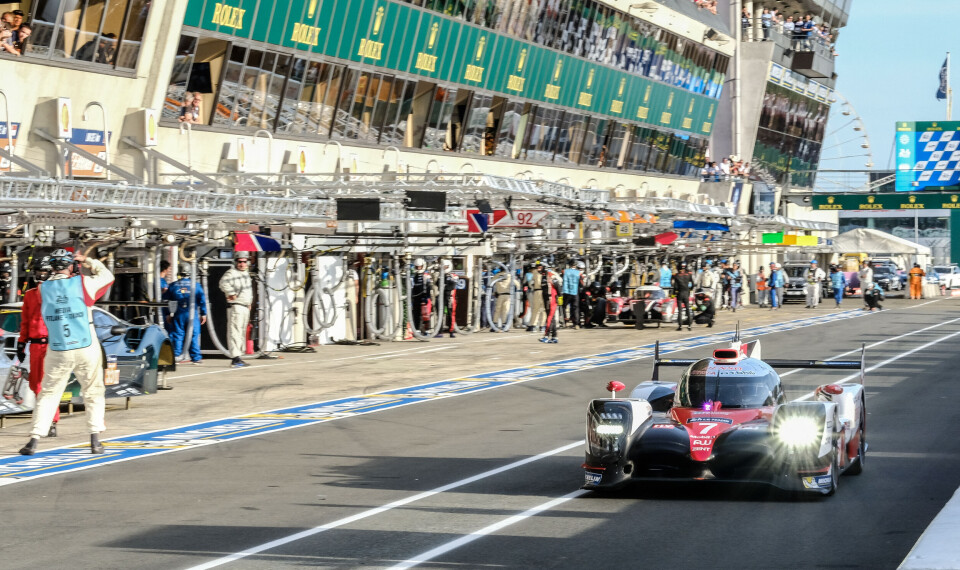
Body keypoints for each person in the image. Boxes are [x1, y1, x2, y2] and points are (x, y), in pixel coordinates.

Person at [19, 248, 115, 456]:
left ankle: (34, 440)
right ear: (72, 266)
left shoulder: (43, 289)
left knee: (48, 393)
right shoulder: (82, 283)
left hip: (58, 348)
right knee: (93, 391)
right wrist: (88, 261)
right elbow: (108, 276)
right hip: (85, 346)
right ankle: (95, 440)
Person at [16, 256, 58, 438]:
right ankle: (44, 418)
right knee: (35, 384)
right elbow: (25, 321)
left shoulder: (56, 293)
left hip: (51, 344)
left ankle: (51, 421)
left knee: (48, 385)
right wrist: (21, 341)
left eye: (44, 272)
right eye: (38, 272)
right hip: (34, 345)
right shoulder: (30, 295)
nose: (41, 275)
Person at [165, 267, 207, 364]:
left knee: (178, 335)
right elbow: (203, 301)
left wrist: (168, 314)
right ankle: (196, 358)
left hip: (178, 314)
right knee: (193, 335)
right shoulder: (196, 285)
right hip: (192, 314)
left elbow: (165, 301)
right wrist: (203, 314)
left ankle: (176, 356)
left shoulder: (173, 285)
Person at [219, 251, 253, 367]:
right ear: (236, 262)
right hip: (237, 306)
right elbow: (223, 283)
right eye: (240, 262)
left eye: (244, 261)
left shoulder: (246, 274)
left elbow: (247, 291)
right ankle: (235, 357)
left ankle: (239, 356)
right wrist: (231, 293)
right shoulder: (232, 273)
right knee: (235, 332)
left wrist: (249, 303)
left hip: (244, 307)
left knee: (241, 331)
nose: (242, 264)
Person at [434, 259, 459, 338]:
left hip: (450, 297)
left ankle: (451, 331)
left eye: (445, 267)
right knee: (440, 314)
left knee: (451, 314)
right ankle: (440, 331)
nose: (444, 268)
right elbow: (437, 283)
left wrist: (445, 284)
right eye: (443, 267)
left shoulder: (453, 276)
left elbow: (453, 285)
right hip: (442, 296)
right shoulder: (441, 275)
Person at [540, 265, 561, 343]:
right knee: (552, 319)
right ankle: (554, 337)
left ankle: (546, 336)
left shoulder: (551, 276)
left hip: (551, 299)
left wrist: (559, 297)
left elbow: (558, 287)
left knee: (549, 318)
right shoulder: (544, 276)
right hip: (547, 299)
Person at [411, 258, 432, 333]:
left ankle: (427, 330)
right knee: (416, 314)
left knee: (425, 314)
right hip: (416, 297)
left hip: (424, 297)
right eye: (417, 267)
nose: (418, 268)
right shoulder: (414, 276)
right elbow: (412, 287)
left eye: (420, 266)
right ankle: (417, 329)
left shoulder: (426, 275)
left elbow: (429, 287)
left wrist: (427, 297)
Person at [525, 262, 546, 332]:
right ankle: (533, 325)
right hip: (537, 291)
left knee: (543, 310)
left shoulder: (547, 273)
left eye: (540, 267)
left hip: (545, 292)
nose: (539, 268)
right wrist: (532, 286)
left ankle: (542, 326)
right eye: (538, 267)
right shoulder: (535, 272)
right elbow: (531, 282)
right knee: (535, 309)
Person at [672, 262, 693, 331]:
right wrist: (689, 290)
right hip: (686, 293)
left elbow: (675, 286)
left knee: (680, 310)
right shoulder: (689, 275)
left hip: (680, 293)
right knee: (687, 309)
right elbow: (692, 284)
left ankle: (680, 326)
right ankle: (689, 325)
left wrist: (674, 293)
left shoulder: (677, 276)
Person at [561, 260, 582, 328]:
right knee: (575, 308)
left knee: (564, 306)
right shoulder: (579, 273)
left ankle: (565, 321)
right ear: (575, 265)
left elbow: (561, 279)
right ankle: (576, 324)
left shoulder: (564, 271)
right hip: (575, 292)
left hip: (566, 291)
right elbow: (581, 283)